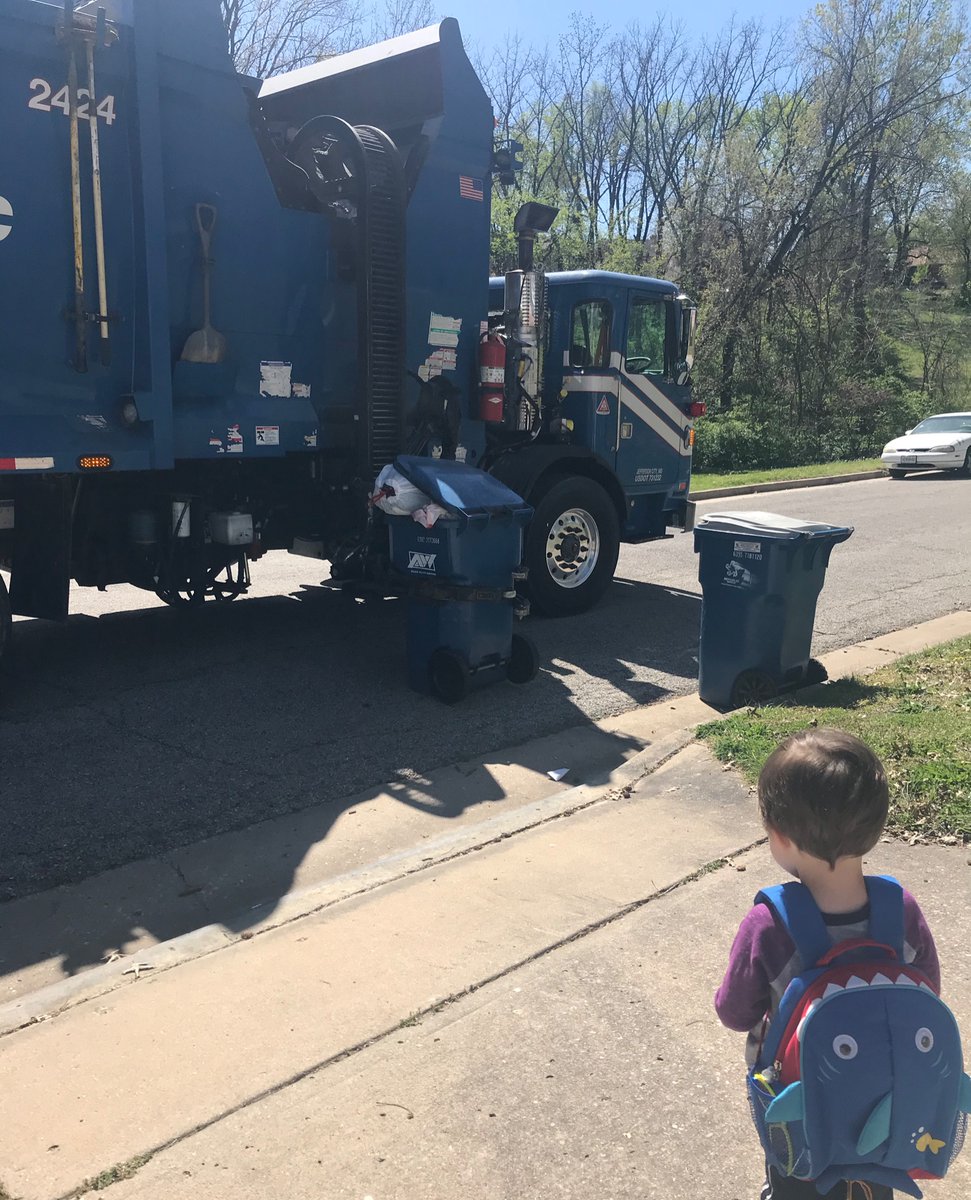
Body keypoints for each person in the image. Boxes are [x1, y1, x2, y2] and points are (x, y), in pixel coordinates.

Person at [714, 728, 941, 1200]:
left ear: (779, 836)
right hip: (889, 1101)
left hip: (800, 1103)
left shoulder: (770, 924)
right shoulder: (902, 909)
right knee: (875, 1172)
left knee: (797, 1175)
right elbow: (928, 993)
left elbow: (734, 1013)